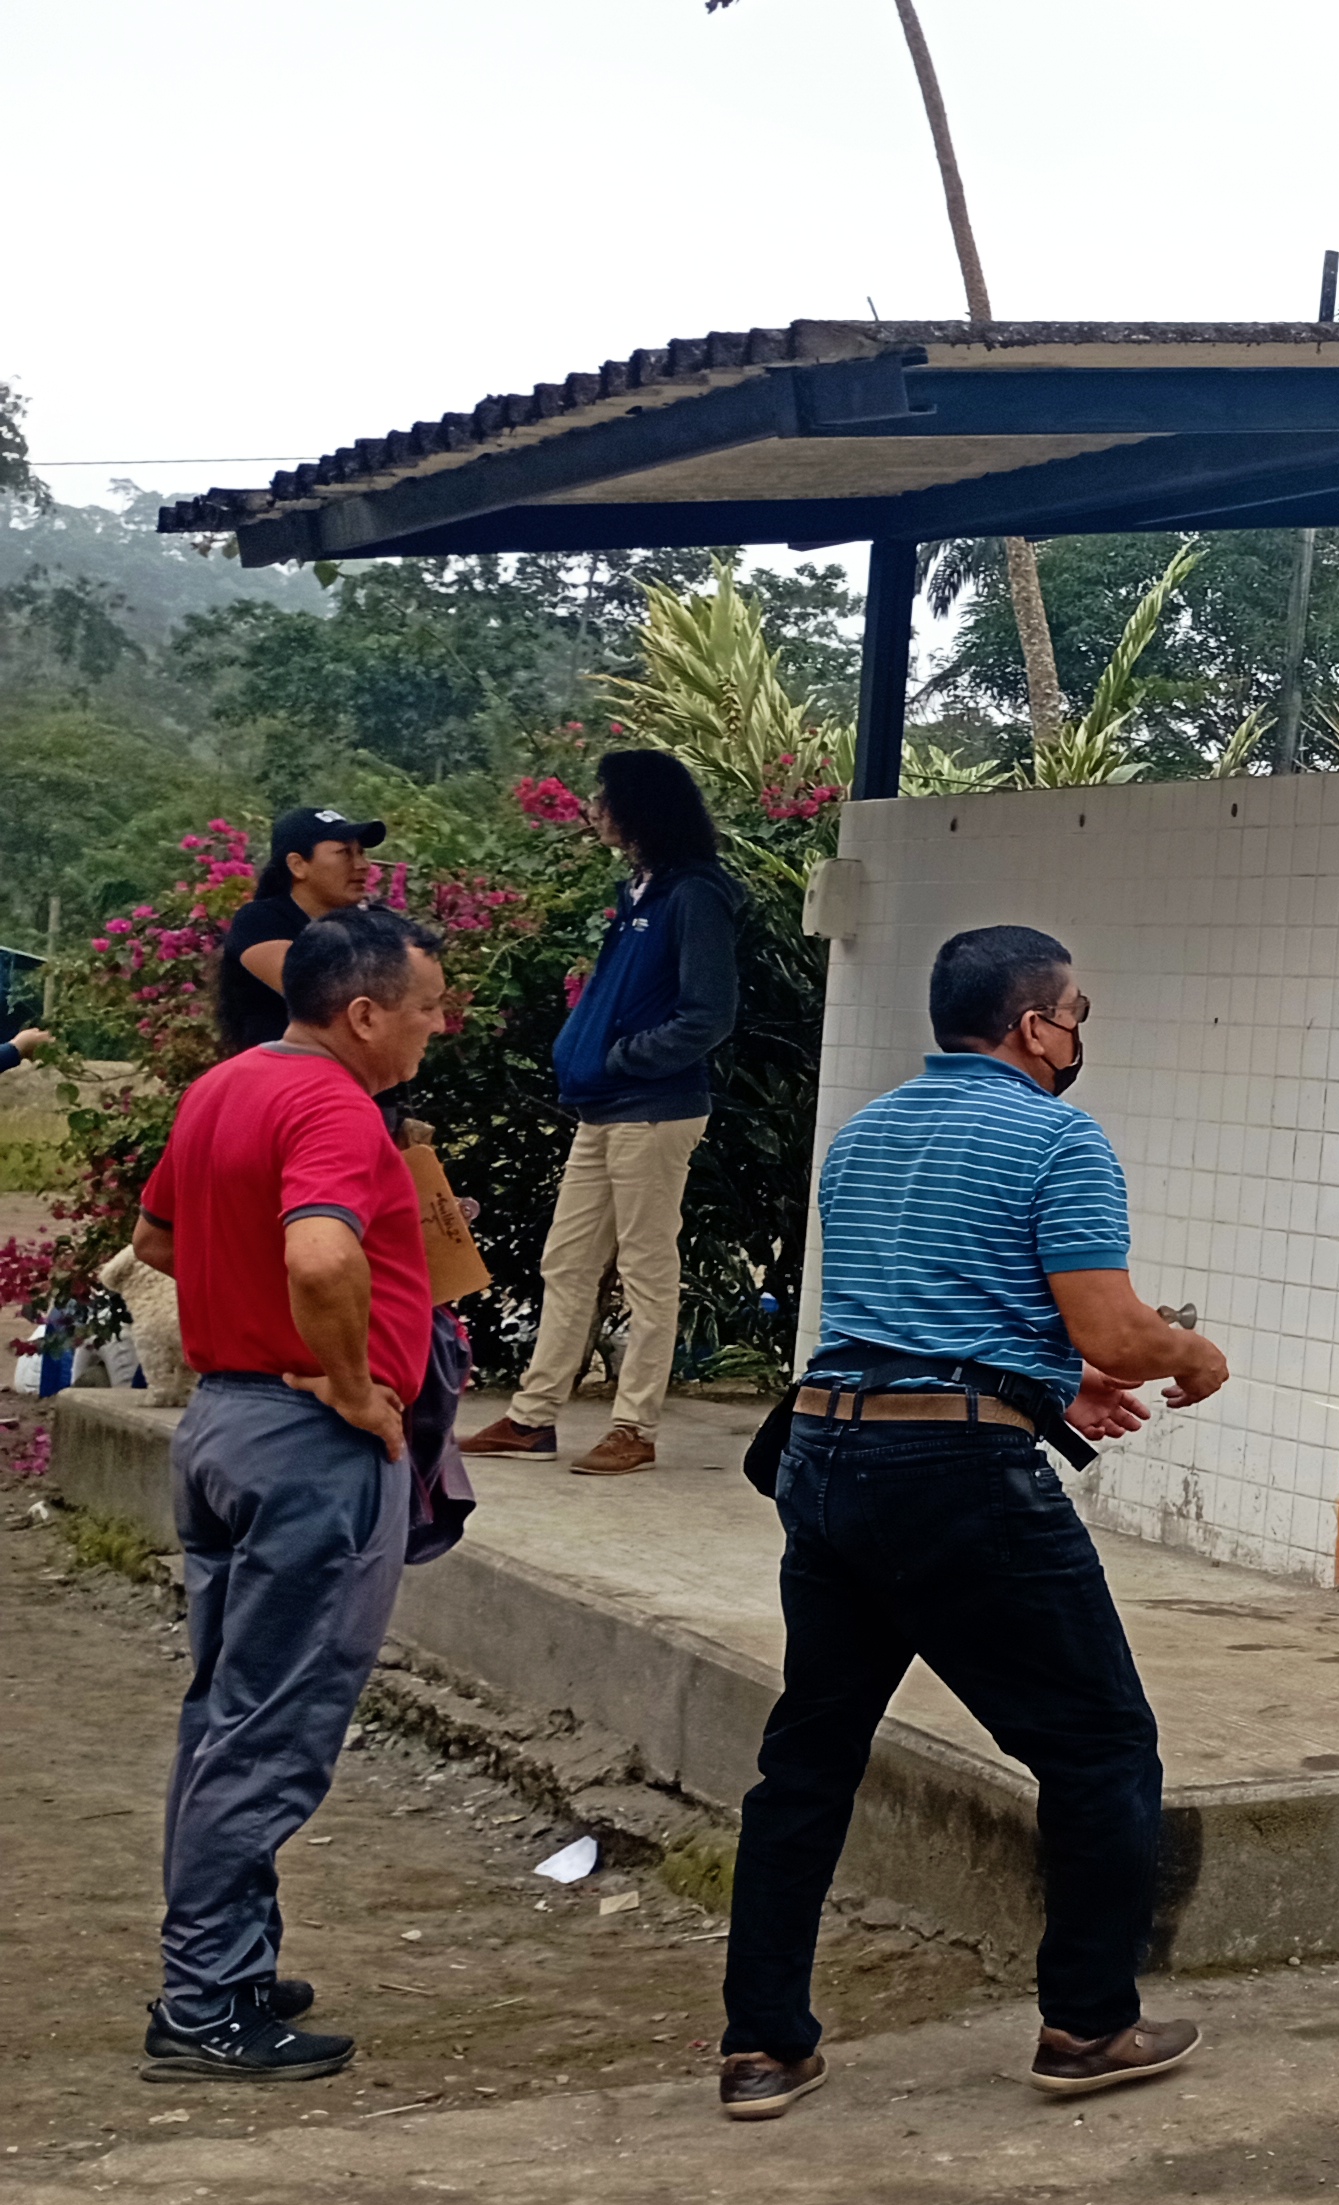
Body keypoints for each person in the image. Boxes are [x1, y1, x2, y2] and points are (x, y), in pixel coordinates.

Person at [715, 926, 1225, 2122]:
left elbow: (918, 1312)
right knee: (1101, 1747)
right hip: (956, 1477)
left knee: (808, 1759)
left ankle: (762, 2047)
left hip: (826, 1455)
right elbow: (1115, 1330)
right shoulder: (1058, 1138)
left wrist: (1051, 1384)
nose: (1078, 1035)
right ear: (1035, 1027)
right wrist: (1190, 1354)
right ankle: (1089, 2023)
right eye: (1075, 1013)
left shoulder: (865, 1134)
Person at [129, 906, 449, 2080]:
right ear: (363, 1013)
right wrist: (353, 1383)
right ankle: (205, 2002)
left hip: (225, 1423)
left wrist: (261, 1315)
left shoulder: (225, 1086)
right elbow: (319, 1254)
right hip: (307, 1443)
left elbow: (157, 1238)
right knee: (271, 1731)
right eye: (426, 1007)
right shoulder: (332, 1106)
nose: (436, 1026)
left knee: (227, 1714)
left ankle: (229, 1961)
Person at [462, 752, 744, 1477]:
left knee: (646, 1267)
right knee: (568, 1261)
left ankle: (634, 1427)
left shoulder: (694, 895)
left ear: (640, 807)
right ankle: (533, 1417)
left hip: (653, 1109)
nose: (594, 807)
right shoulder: (643, 891)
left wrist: (624, 1058)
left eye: (605, 796)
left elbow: (708, 1014)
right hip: (606, 1107)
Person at [215, 808, 381, 1054]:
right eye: (344, 853)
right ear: (298, 865)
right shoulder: (261, 921)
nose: (362, 865)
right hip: (285, 1074)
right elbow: (317, 994)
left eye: (361, 853)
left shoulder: (379, 921)